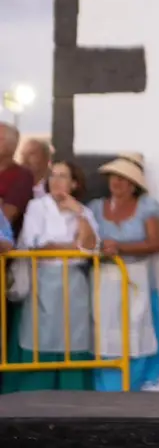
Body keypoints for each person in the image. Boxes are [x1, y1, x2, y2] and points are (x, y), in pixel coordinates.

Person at [2, 161, 98, 393]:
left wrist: (78, 214)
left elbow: (91, 246)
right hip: (42, 281)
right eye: (52, 176)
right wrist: (72, 249)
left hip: (73, 283)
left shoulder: (83, 211)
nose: (56, 181)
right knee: (38, 336)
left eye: (63, 176)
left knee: (73, 336)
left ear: (74, 183)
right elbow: (38, 246)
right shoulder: (37, 207)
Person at [88, 153, 159, 391]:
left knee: (137, 335)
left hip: (138, 282)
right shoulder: (95, 207)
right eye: (114, 177)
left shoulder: (147, 206)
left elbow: (156, 243)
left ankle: (134, 387)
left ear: (134, 185)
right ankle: (107, 390)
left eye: (124, 178)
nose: (117, 182)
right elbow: (87, 240)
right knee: (106, 337)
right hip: (105, 284)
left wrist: (121, 247)